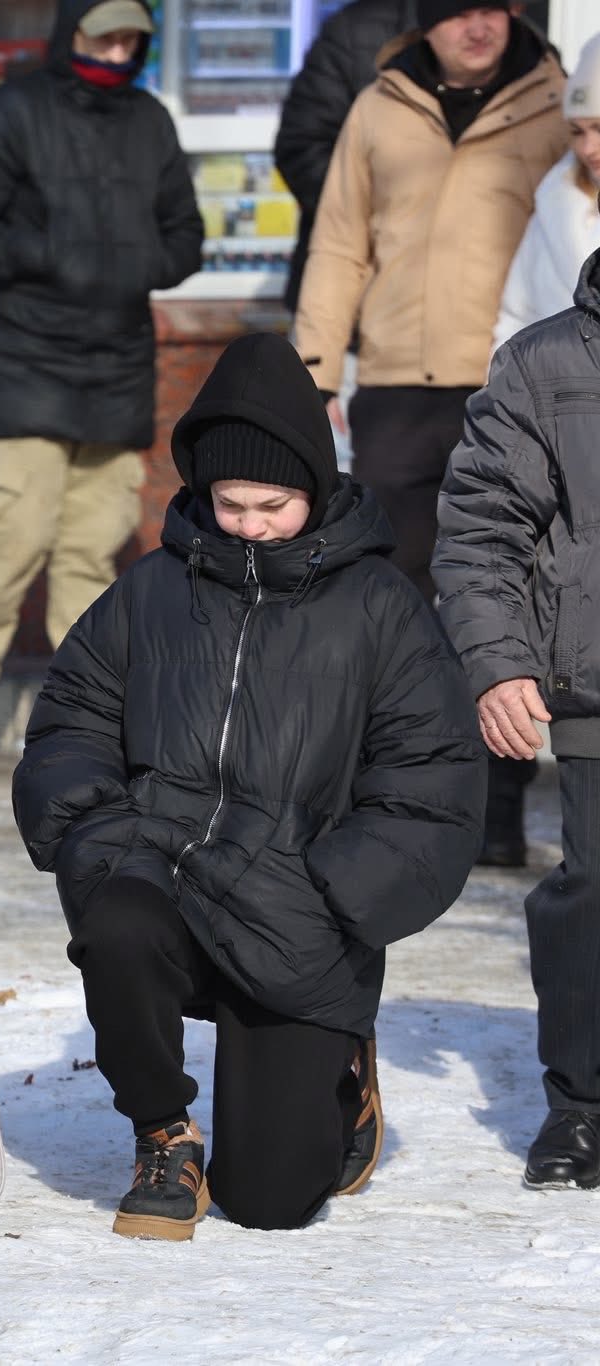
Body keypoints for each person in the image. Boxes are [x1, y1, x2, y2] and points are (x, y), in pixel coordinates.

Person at [16, 332, 484, 1239]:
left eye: (273, 504)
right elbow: (70, 720)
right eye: (229, 504)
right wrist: (98, 840)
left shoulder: (380, 607)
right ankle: (163, 1133)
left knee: (271, 1201)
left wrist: (335, 892)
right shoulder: (150, 591)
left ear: (317, 485)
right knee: (115, 923)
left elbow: (433, 781)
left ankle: (339, 1078)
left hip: (295, 910)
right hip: (167, 876)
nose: (251, 525)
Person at [294, 0, 563, 867]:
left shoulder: (557, 99)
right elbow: (339, 244)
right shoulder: (379, 105)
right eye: (456, 10)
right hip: (398, 386)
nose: (476, 26)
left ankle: (497, 809)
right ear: (426, 21)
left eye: (492, 6)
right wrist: (313, 371)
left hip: (515, 383)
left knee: (510, 596)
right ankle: (400, 795)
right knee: (391, 592)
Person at [0, 0, 202, 761]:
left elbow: (187, 235)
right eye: (103, 34)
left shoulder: (150, 121)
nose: (117, 50)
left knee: (94, 546)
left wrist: (134, 265)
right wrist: (53, 257)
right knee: (10, 536)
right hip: (28, 361)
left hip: (117, 364)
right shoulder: (14, 110)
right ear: (72, 32)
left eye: (131, 38)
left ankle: (79, 706)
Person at [438, 239, 600, 1190]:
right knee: (595, 895)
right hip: (594, 686)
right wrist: (499, 666)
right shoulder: (546, 362)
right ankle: (582, 1104)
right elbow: (482, 525)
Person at [273, 0, 417, 314]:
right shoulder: (355, 32)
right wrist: (386, 216)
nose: (477, 28)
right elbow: (302, 147)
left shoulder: (526, 50)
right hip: (351, 292)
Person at [495, 35, 600, 347]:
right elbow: (516, 317)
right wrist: (506, 392)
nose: (588, 148)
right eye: (577, 131)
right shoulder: (556, 201)